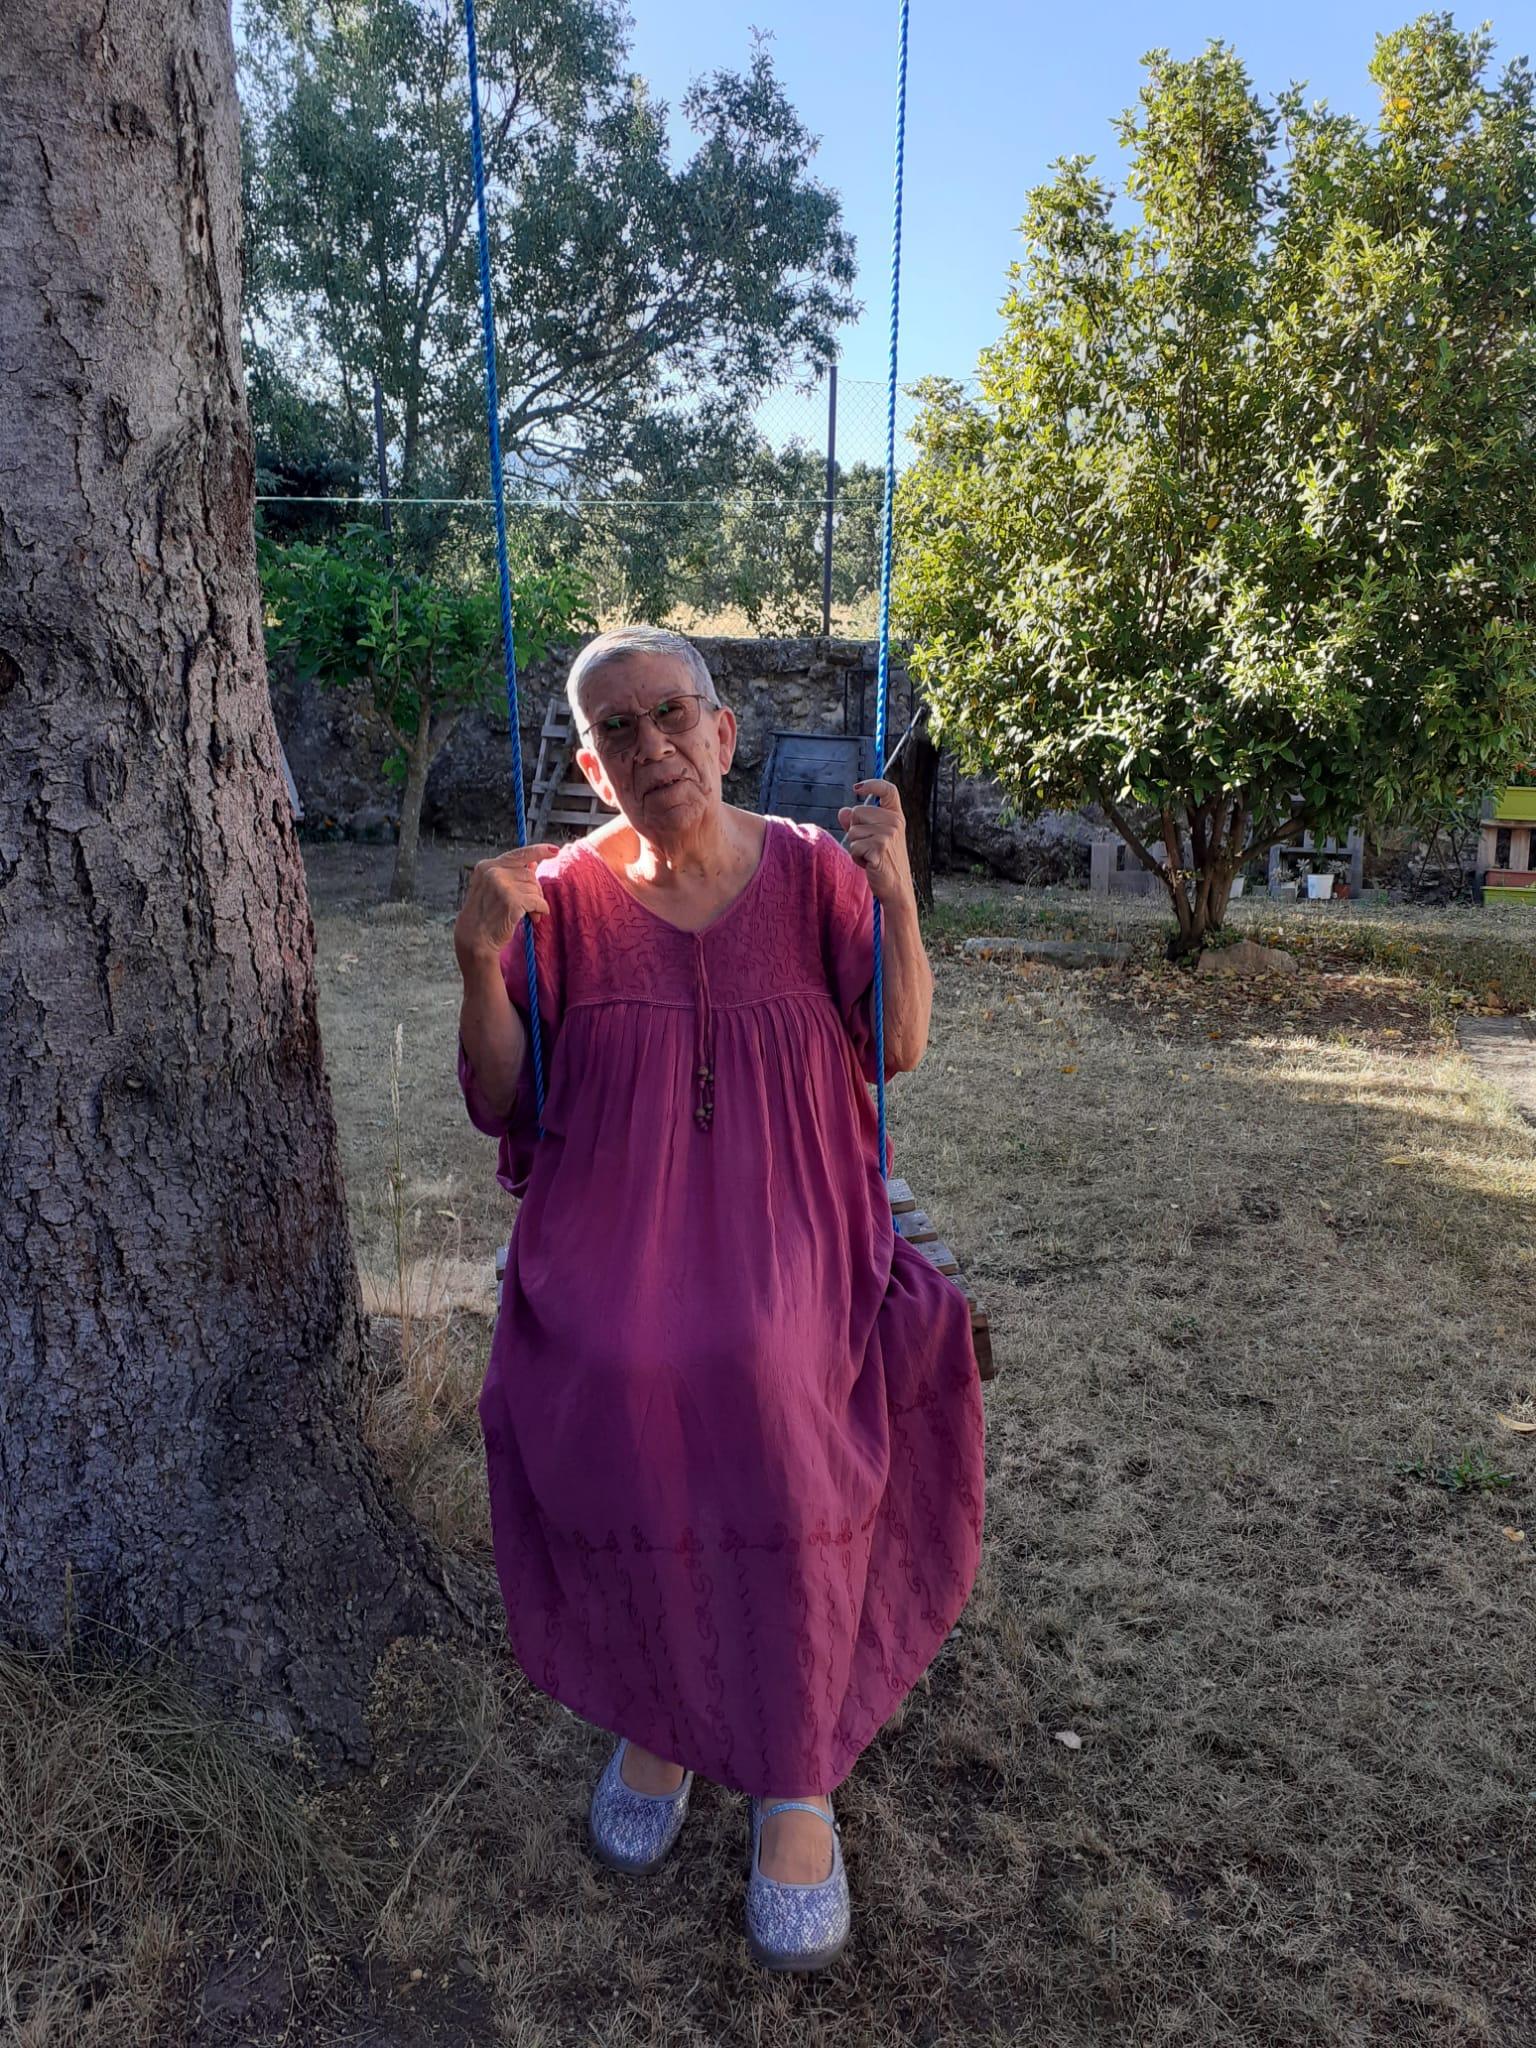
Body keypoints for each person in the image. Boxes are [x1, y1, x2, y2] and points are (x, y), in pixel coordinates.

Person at [455, 626, 985, 1972]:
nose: (654, 746)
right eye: (619, 730)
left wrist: (904, 896)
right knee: (624, 1372)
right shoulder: (559, 897)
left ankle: (795, 1768)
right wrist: (477, 965)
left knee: (763, 1372)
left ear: (724, 729)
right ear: (590, 763)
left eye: (673, 715)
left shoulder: (813, 873)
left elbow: (900, 1045)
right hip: (616, 1228)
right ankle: (662, 1712)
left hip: (796, 1224)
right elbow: (502, 1101)